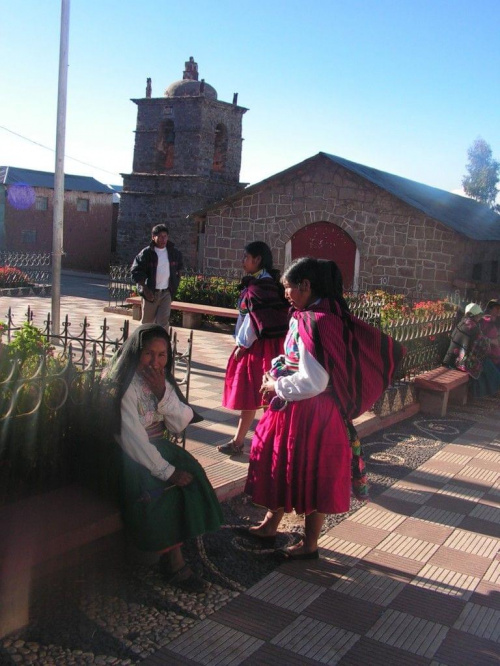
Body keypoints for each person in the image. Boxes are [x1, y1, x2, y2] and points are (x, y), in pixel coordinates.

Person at [241, 258, 404, 559]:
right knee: (286, 468)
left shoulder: (317, 321)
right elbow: (295, 357)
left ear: (306, 286)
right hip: (305, 410)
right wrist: (278, 369)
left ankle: (309, 543)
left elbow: (315, 380)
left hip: (310, 412)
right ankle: (270, 525)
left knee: (310, 474)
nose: (285, 294)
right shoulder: (313, 316)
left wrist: (276, 386)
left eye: (288, 288)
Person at [106, 324, 223, 592]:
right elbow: (131, 438)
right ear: (135, 353)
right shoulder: (125, 386)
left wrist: (162, 393)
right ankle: (174, 563)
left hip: (156, 448)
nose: (155, 362)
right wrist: (167, 471)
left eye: (162, 355)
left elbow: (179, 423)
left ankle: (180, 548)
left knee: (193, 478)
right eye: (149, 354)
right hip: (129, 458)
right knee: (166, 491)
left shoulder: (160, 382)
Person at [219, 241, 289, 455]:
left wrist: (242, 345)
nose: (243, 262)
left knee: (264, 395)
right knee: (259, 395)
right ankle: (241, 441)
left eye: (246, 258)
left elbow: (253, 320)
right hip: (270, 346)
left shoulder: (260, 287)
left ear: (257, 260)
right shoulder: (267, 284)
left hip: (258, 348)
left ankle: (268, 443)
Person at [131, 224, 183, 329]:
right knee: (147, 324)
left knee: (163, 325)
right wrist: (145, 289)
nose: (163, 239)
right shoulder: (146, 254)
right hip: (151, 293)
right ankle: (144, 344)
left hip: (166, 293)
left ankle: (162, 345)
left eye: (165, 236)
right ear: (153, 237)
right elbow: (136, 272)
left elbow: (179, 268)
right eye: (160, 236)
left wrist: (175, 283)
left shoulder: (174, 253)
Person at [443, 302, 500, 397]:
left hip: (451, 360)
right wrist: (492, 342)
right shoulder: (473, 327)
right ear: (476, 315)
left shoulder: (462, 323)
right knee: (488, 366)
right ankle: (483, 392)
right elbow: (484, 346)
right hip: (461, 363)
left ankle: (485, 391)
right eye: (479, 315)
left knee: (485, 364)